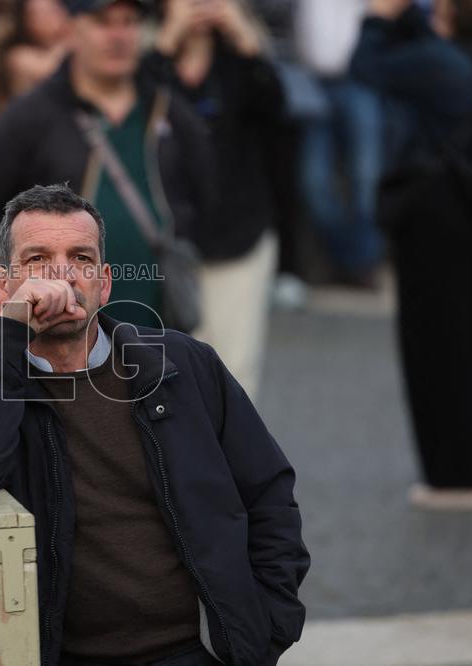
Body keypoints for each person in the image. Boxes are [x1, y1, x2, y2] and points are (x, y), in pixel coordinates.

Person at [0, 184, 309, 666]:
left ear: (104, 283)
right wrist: (11, 328)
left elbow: (269, 492)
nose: (61, 275)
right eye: (38, 259)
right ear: (4, 284)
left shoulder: (185, 365)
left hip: (203, 653)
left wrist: (268, 627)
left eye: (80, 258)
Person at [0, 0, 213, 334]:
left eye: (129, 22)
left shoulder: (169, 111)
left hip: (160, 323)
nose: (119, 36)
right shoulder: (28, 119)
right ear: (71, 29)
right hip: (55, 329)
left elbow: (204, 196)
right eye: (103, 22)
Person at [350, 0, 472, 509]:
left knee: (437, 347)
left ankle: (456, 476)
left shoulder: (437, 61)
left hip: (436, 214)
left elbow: (363, 66)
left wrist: (378, 17)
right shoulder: (467, 54)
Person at [149, 0, 285, 400]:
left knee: (234, 376)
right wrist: (165, 43)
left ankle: (230, 465)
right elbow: (127, 106)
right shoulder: (140, 54)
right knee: (161, 377)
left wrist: (246, 40)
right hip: (163, 243)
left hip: (237, 237)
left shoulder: (242, 61)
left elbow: (278, 112)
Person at [295, 0, 384, 288]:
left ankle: (361, 263)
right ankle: (347, 258)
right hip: (311, 81)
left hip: (359, 80)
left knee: (366, 178)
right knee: (314, 182)